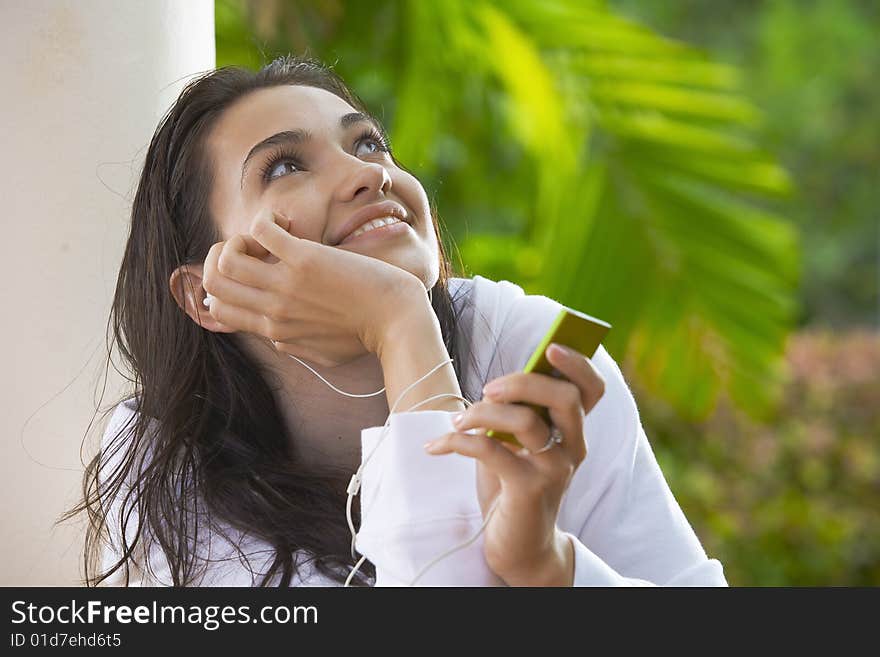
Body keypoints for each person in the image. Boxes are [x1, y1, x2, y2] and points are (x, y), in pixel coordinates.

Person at [68, 54, 728, 587]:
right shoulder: (166, 456)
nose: (368, 174)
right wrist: (398, 321)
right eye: (286, 165)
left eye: (368, 143)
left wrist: (550, 568)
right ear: (204, 294)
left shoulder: (522, 346)